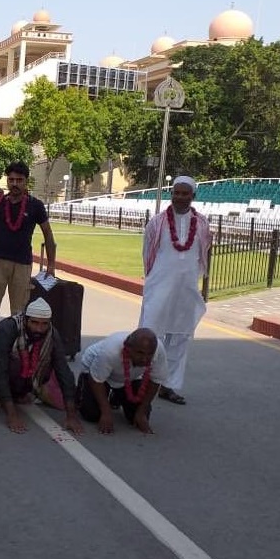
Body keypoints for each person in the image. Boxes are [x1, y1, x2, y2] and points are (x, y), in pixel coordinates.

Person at [139, 176, 212, 405]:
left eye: (185, 193)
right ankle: (142, 380)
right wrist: (153, 279)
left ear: (193, 196)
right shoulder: (157, 222)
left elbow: (204, 253)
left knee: (179, 336)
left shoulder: (202, 224)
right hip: (160, 284)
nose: (180, 197)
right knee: (149, 334)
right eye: (176, 193)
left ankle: (168, 386)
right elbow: (147, 253)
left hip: (186, 288)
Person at [0, 161, 57, 340]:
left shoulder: (35, 205)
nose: (15, 184)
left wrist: (51, 265)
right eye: (11, 179)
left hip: (22, 263)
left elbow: (48, 235)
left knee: (19, 311)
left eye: (19, 180)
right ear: (7, 181)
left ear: (26, 181)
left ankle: (16, 346)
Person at [0, 297, 82, 434]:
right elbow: (0, 368)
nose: (39, 329)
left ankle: (21, 392)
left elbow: (63, 371)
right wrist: (12, 415)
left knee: (50, 369)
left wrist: (71, 416)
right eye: (34, 323)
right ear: (25, 319)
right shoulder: (7, 328)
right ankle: (1, 394)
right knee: (15, 364)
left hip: (28, 369)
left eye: (44, 324)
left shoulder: (52, 334)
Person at [76, 328, 168, 435]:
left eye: (149, 354)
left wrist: (142, 411)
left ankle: (117, 395)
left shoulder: (158, 350)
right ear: (128, 347)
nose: (144, 359)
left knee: (138, 416)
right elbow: (96, 380)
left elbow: (155, 380)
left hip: (129, 377)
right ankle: (81, 391)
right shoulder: (110, 351)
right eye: (140, 353)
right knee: (91, 414)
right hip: (95, 372)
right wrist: (106, 412)